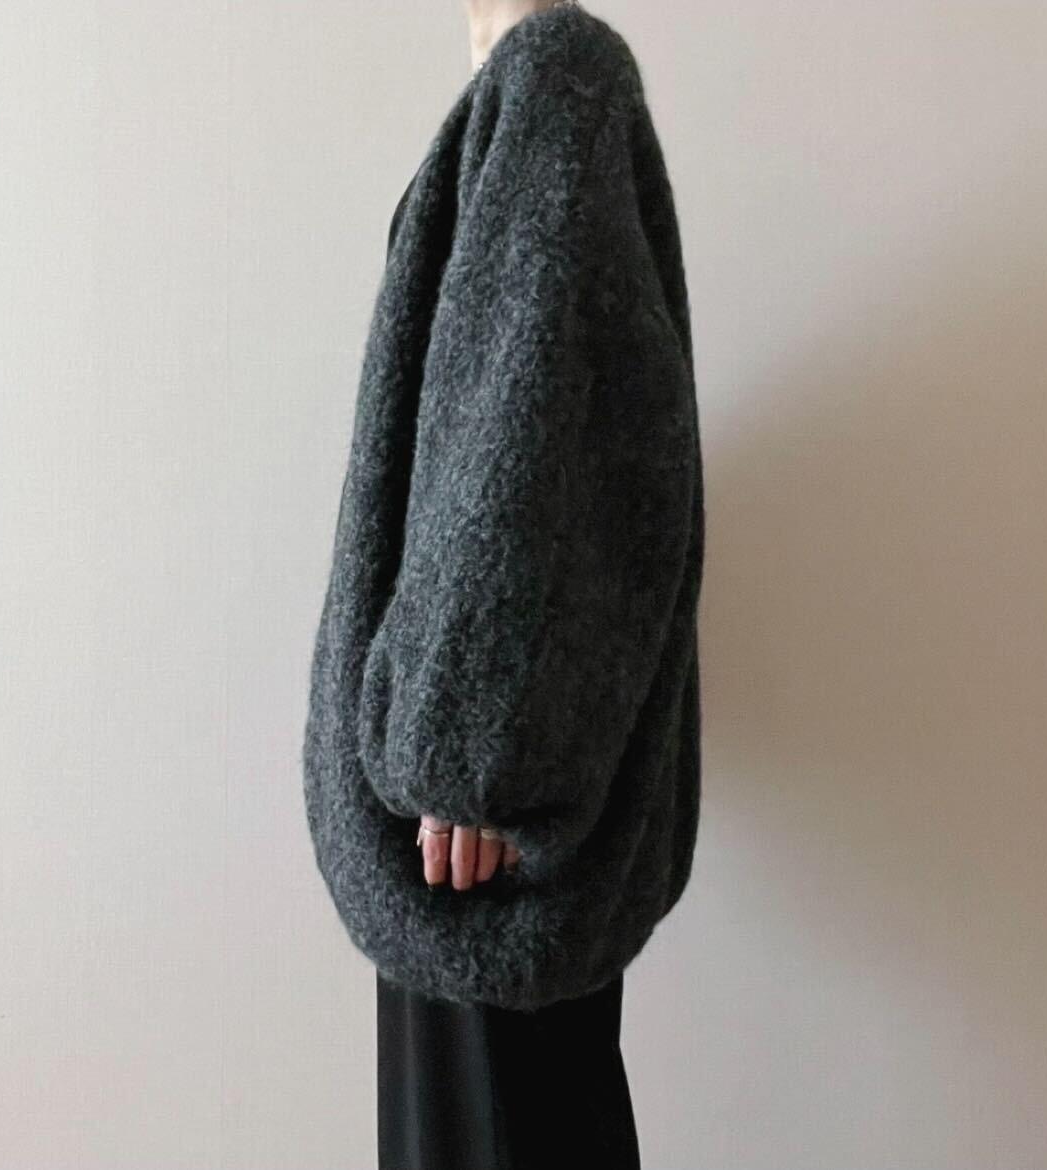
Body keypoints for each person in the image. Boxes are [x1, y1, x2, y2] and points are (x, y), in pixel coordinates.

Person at [302, 1, 705, 1165]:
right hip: (473, 826)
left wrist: (470, 761)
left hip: (469, 841)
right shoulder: (536, 88)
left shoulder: (555, 74)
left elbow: (519, 421)